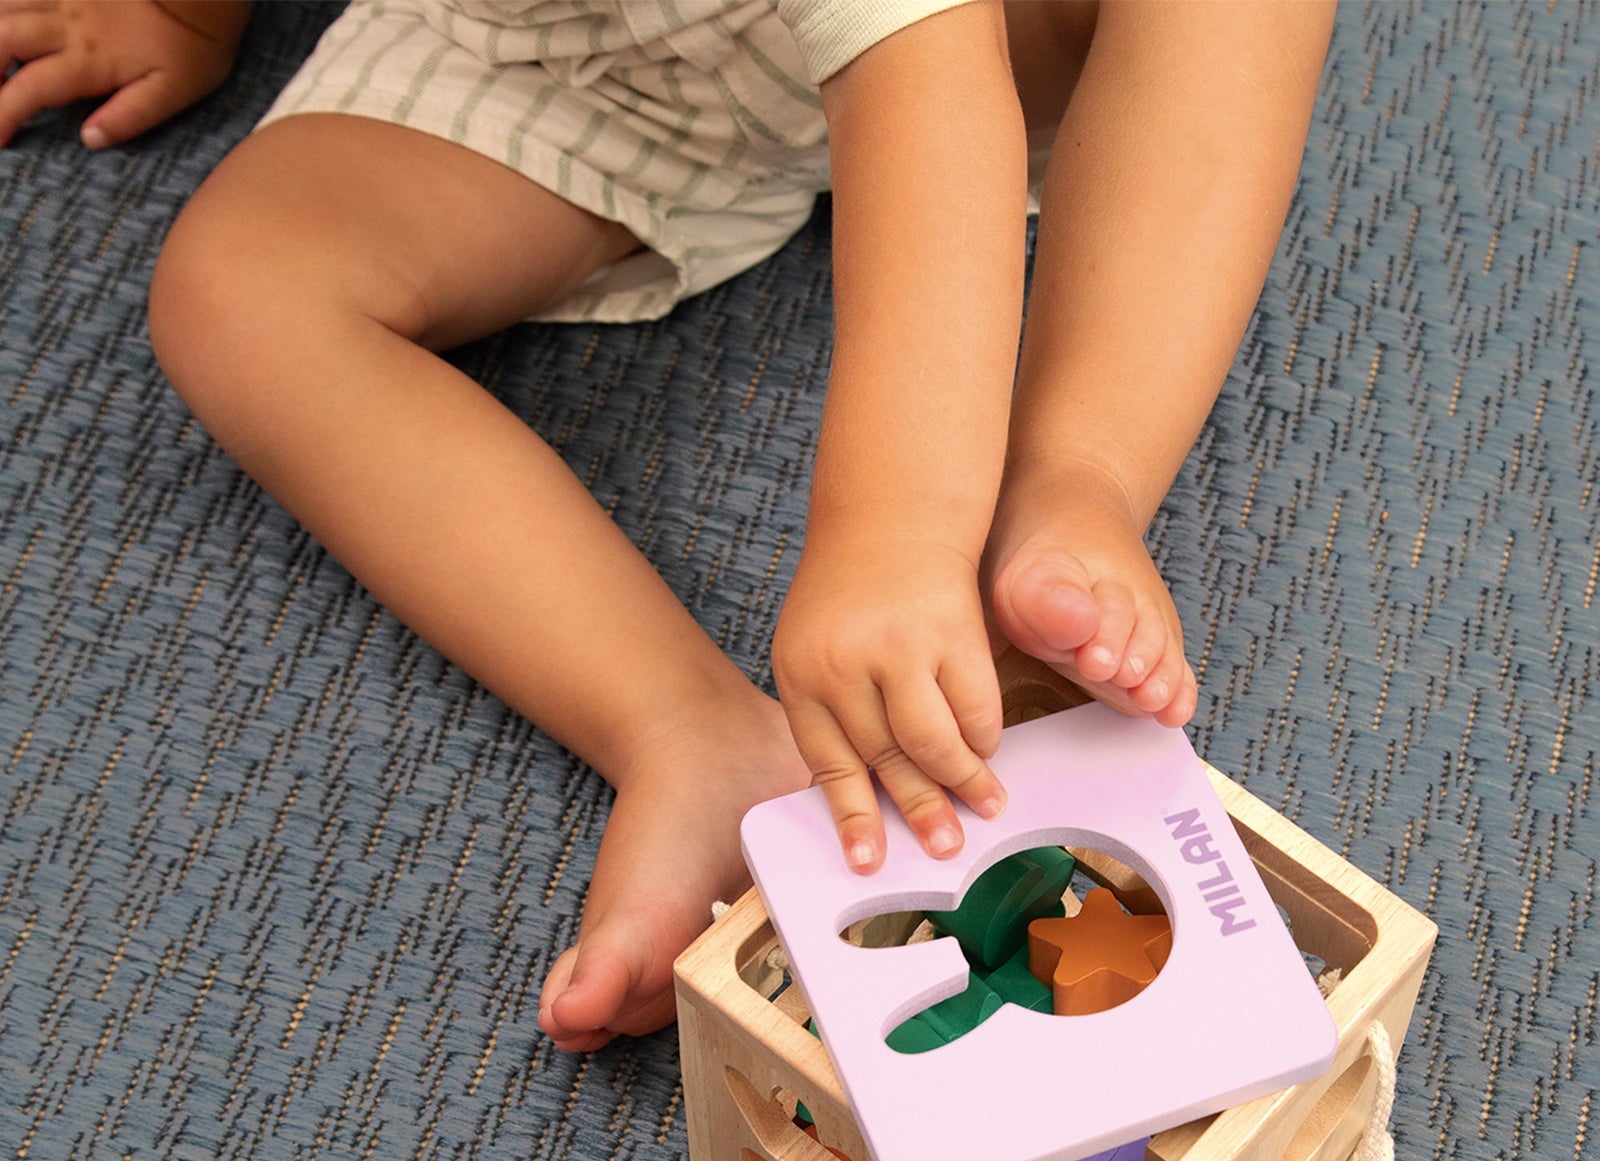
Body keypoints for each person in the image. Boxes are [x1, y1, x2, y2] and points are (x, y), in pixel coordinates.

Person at [0, 0, 1335, 1052]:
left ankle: (1078, 473)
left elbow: (924, 87)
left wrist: (894, 535)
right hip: (558, 50)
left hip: (965, 33)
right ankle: (687, 727)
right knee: (237, 289)